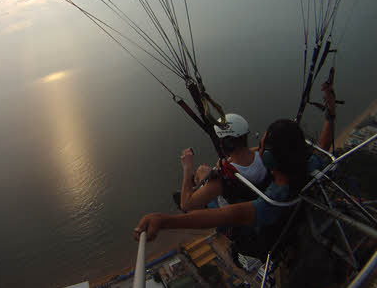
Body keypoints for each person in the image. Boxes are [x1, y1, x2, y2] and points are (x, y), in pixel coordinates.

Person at [134, 83, 339, 281]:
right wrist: (330, 111)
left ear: (270, 158)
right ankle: (200, 179)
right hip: (283, 215)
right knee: (205, 175)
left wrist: (166, 217)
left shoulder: (272, 203)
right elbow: (323, 145)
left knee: (196, 188)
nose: (258, 149)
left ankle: (197, 180)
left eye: (262, 146)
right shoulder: (306, 166)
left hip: (252, 234)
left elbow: (217, 215)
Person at [174, 113, 270, 212]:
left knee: (197, 181)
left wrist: (187, 168)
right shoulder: (263, 156)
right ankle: (196, 189)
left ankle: (198, 196)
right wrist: (227, 161)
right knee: (202, 170)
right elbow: (249, 152)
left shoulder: (223, 178)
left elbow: (185, 205)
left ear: (225, 144)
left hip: (231, 211)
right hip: (255, 197)